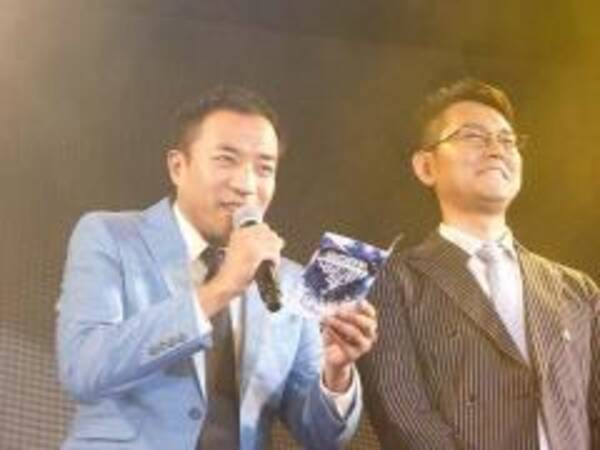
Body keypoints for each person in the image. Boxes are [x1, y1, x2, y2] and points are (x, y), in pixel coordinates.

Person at [56, 86, 377, 450]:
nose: (246, 185)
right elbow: (83, 368)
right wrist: (221, 289)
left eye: (264, 168)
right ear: (178, 167)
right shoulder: (110, 236)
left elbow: (323, 437)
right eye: (226, 160)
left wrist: (337, 372)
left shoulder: (289, 280)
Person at [359, 78, 599, 450]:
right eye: (473, 136)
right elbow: (401, 411)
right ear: (426, 166)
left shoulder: (577, 289)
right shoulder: (393, 280)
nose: (496, 149)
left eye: (507, 140)